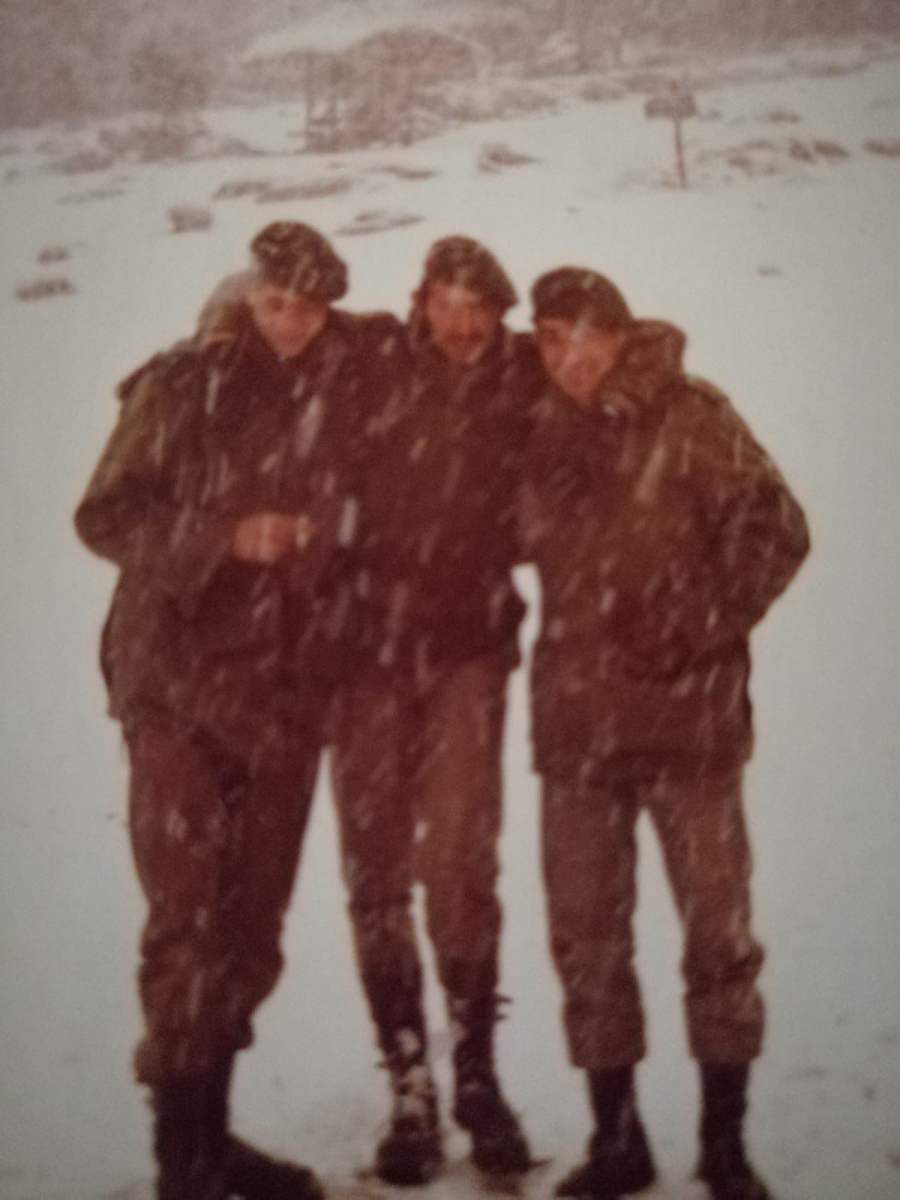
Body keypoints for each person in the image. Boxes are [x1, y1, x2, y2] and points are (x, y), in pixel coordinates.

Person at [74, 222, 402, 1200]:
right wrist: (225, 536)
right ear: (248, 295)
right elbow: (106, 513)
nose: (289, 323)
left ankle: (211, 1136)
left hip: (280, 695)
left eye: (308, 308)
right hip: (175, 688)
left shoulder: (341, 384)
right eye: (273, 303)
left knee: (250, 931)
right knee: (187, 923)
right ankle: (183, 1161)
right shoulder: (184, 382)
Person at [520, 268, 810, 1200]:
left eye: (585, 336)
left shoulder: (692, 415)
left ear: (619, 334)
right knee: (587, 942)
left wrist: (698, 623)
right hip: (578, 736)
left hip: (692, 731)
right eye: (550, 338)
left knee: (718, 939)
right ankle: (618, 1144)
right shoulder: (536, 427)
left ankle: (724, 1145)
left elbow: (778, 529)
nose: (569, 358)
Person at [327, 237, 540, 1185]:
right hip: (361, 655)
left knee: (459, 863)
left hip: (467, 654)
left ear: (499, 315)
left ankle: (478, 1077)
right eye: (446, 304)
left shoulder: (522, 376)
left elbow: (627, 346)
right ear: (420, 303)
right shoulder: (371, 356)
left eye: (477, 308)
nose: (460, 325)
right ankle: (410, 1082)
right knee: (376, 872)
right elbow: (262, 329)